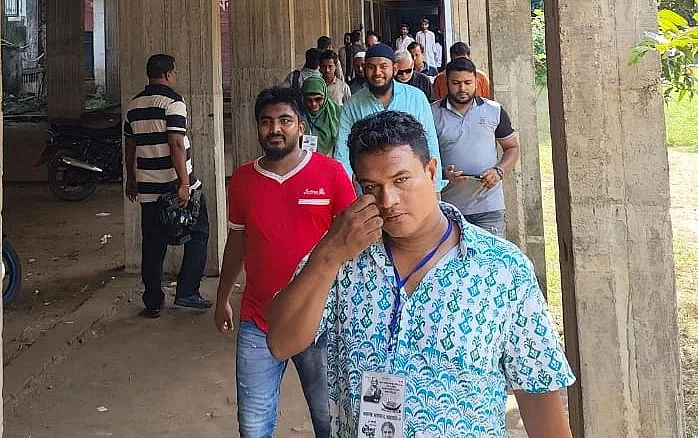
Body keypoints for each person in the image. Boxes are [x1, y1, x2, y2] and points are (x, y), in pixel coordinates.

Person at [266, 110, 576, 438]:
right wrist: (328, 256)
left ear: (431, 171)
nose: (388, 200)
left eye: (401, 180)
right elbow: (282, 343)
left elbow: (539, 397)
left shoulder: (501, 270)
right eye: (372, 186)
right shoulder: (342, 258)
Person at [215, 87, 356, 438]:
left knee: (331, 424)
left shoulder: (331, 174)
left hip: (323, 323)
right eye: (266, 122)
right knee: (253, 427)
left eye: (284, 121)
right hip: (258, 321)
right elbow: (237, 240)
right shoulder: (244, 180)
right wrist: (222, 300)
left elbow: (355, 243)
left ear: (301, 127)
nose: (275, 129)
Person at [124, 54, 212, 318]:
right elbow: (176, 143)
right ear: (169, 73)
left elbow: (130, 146)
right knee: (199, 233)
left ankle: (153, 302)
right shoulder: (174, 102)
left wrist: (131, 178)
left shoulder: (134, 105)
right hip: (176, 186)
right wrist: (184, 183)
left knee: (153, 245)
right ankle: (187, 291)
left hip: (149, 189)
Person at [332, 43, 445, 191]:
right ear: (364, 68)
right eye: (371, 67)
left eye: (383, 66)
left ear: (395, 68)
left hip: (410, 190)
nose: (377, 72)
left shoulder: (416, 98)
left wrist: (435, 189)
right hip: (370, 192)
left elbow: (430, 143)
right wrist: (346, 193)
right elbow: (343, 153)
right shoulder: (352, 105)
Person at [432, 58, 519, 238]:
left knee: (491, 262)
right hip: (448, 207)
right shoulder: (432, 113)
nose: (462, 88)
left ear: (476, 82)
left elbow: (512, 147)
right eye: (455, 83)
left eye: (467, 83)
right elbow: (421, 157)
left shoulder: (494, 110)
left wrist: (499, 171)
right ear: (446, 83)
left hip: (489, 206)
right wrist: (443, 173)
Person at [302, 76, 341, 156]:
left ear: (325, 96)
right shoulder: (298, 113)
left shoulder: (336, 113)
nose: (314, 104)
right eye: (309, 100)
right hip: (303, 161)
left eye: (318, 99)